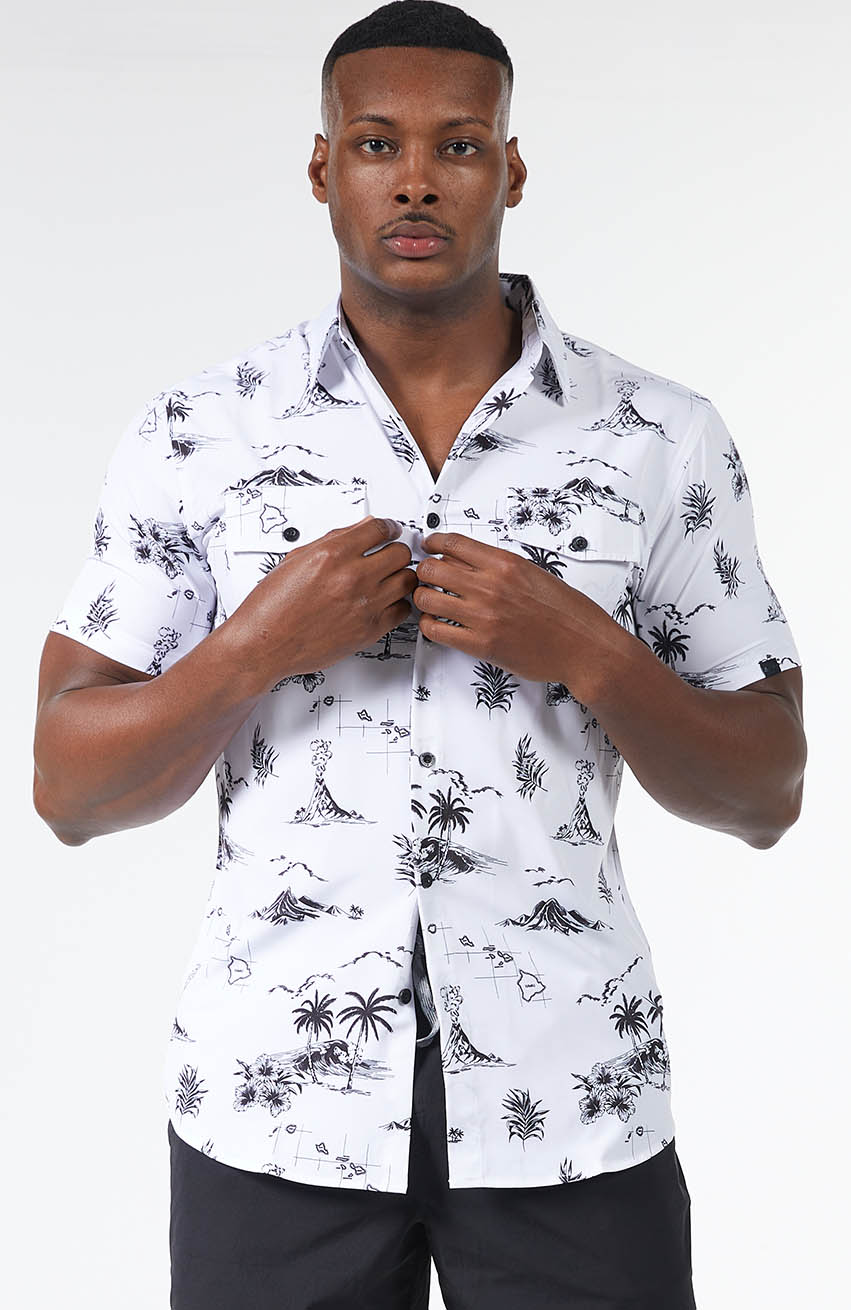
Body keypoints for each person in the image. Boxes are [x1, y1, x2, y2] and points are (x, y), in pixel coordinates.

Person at [33, 3, 807, 1307]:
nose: (415, 180)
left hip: (573, 1098)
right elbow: (68, 786)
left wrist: (589, 650)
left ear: (511, 169)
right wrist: (255, 647)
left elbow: (767, 791)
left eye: (457, 144)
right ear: (322, 165)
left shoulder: (656, 437)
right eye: (377, 142)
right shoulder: (200, 433)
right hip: (275, 1106)